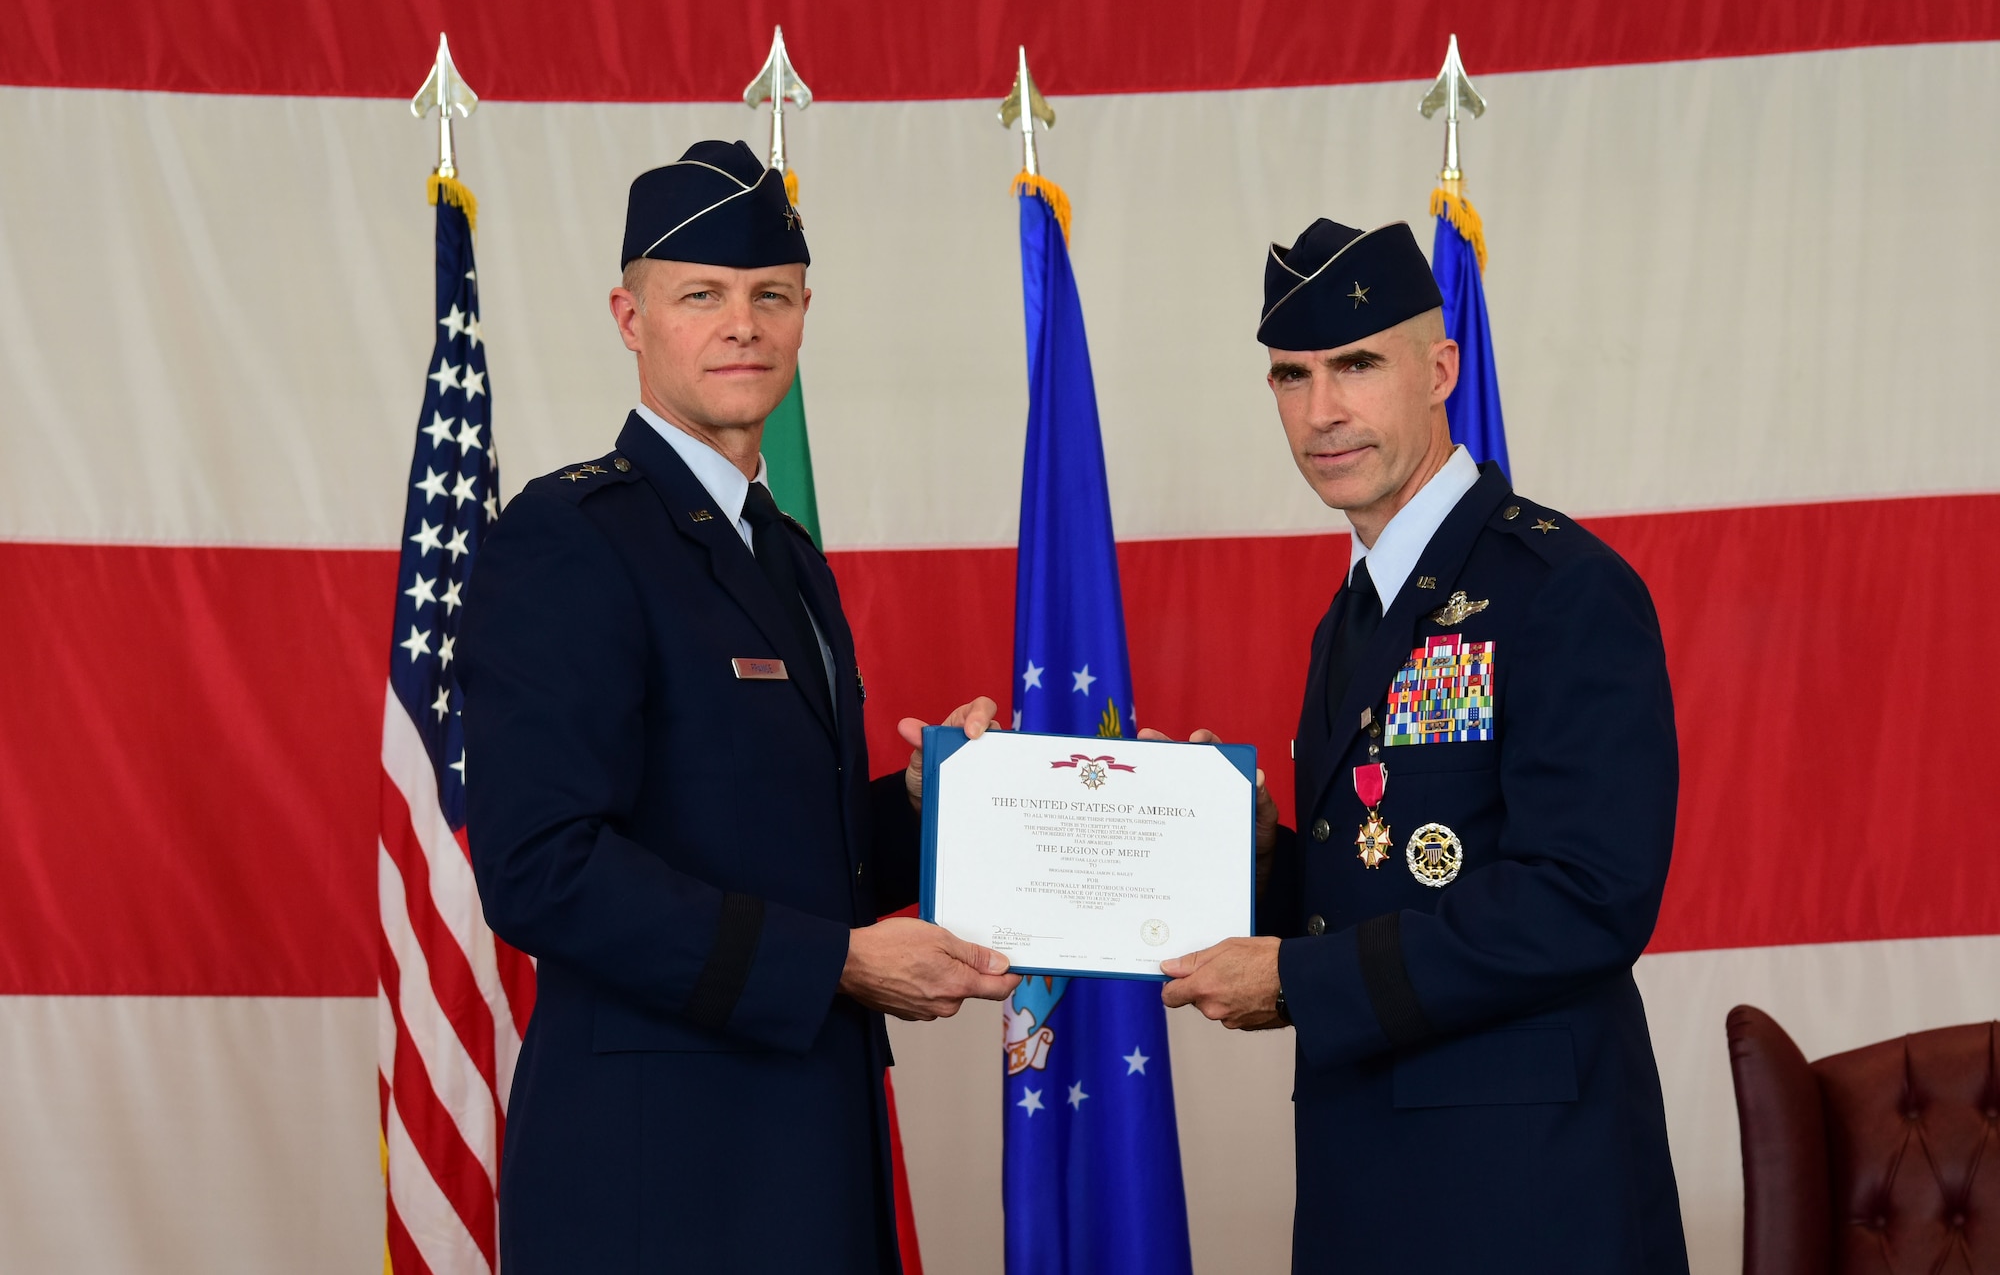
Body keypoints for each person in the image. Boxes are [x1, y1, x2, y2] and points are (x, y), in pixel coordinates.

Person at [458, 139, 1018, 1274]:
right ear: (629, 316)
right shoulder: (568, 538)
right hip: (658, 1175)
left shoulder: (783, 552)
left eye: (770, 296)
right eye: (700, 296)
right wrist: (837, 967)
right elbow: (541, 866)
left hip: (805, 1142)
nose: (742, 325)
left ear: (805, 313)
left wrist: (924, 804)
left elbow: (773, 840)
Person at [1153, 218, 1688, 1272]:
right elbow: (1366, 877)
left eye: (1354, 364)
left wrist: (1301, 982)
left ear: (1439, 368)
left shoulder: (1561, 588)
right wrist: (1246, 852)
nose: (1320, 412)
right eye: (1288, 375)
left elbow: (1584, 895)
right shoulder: (1353, 613)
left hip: (1526, 1192)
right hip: (1372, 1177)